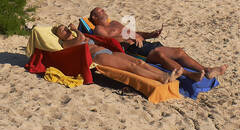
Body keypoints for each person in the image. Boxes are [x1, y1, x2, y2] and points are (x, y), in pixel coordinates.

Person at [86, 8, 226, 80]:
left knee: (178, 52)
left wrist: (149, 34)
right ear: (94, 17)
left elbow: (135, 33)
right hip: (132, 48)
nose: (104, 11)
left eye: (103, 10)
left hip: (141, 43)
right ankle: (190, 75)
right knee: (160, 55)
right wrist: (133, 38)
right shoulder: (99, 29)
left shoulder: (115, 22)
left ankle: (206, 70)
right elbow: (109, 41)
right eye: (100, 11)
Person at [53, 23, 183, 86]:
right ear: (59, 36)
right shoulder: (66, 44)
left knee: (139, 62)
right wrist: (75, 29)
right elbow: (80, 38)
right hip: (98, 57)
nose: (65, 30)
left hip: (106, 51)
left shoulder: (77, 37)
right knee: (131, 67)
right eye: (62, 30)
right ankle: (161, 78)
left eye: (65, 28)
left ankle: (164, 75)